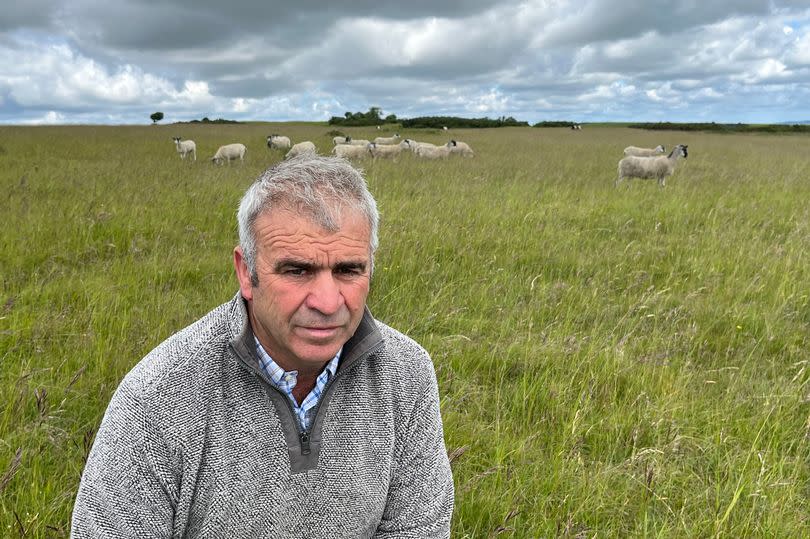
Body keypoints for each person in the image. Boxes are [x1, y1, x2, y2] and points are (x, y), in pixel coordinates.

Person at [71, 155, 454, 537]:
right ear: (246, 272)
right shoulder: (158, 397)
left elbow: (416, 529)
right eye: (297, 270)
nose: (328, 301)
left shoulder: (407, 373)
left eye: (348, 269)